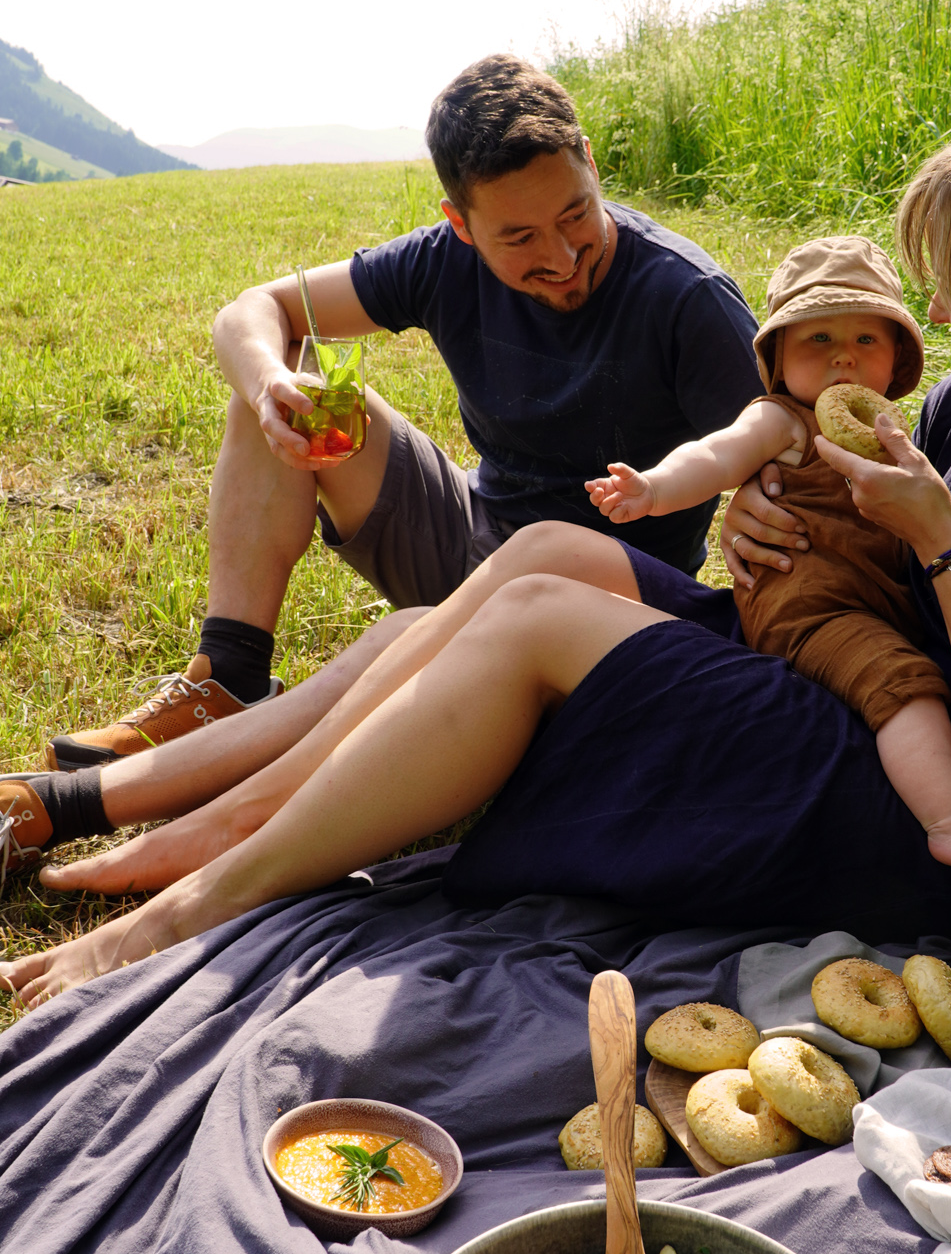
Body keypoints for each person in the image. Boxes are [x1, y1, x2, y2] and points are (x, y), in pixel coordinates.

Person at [2, 94, 951, 1010]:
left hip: (945, 826)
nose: (931, 315)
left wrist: (938, 544)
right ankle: (107, 803)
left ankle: (191, 896)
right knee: (552, 552)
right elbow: (865, 536)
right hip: (853, 688)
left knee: (540, 618)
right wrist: (771, 520)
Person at [41, 54, 761, 772]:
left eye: (575, 213)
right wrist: (267, 390)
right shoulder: (441, 261)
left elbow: (780, 448)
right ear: (462, 224)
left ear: (591, 165)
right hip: (474, 540)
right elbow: (251, 310)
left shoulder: (686, 298)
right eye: (520, 238)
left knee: (392, 697)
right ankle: (228, 678)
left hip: (603, 608)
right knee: (288, 373)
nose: (563, 253)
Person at [586, 233, 951, 886]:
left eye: (865, 340)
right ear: (777, 358)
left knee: (897, 664)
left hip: (868, 602)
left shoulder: (897, 440)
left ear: (898, 359)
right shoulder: (784, 422)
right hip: (810, 609)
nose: (843, 362)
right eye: (818, 340)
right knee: (902, 687)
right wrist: (654, 488)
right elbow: (717, 454)